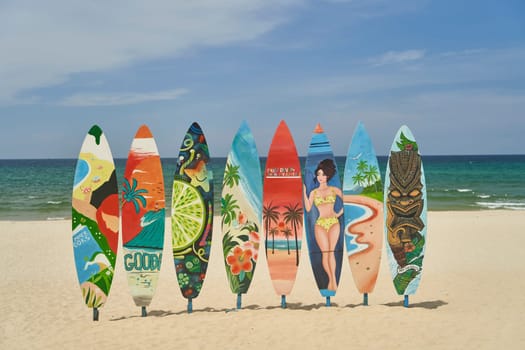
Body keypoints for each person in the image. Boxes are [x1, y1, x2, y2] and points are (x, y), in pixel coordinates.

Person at [303, 158, 343, 291]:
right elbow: (308, 208)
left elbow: (347, 200)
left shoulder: (334, 190)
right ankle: (331, 279)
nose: (321, 177)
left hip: (333, 223)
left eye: (324, 174)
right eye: (319, 174)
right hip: (320, 224)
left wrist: (339, 213)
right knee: (325, 253)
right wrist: (304, 191)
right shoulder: (314, 193)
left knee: (331, 253)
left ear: (328, 175)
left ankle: (333, 282)